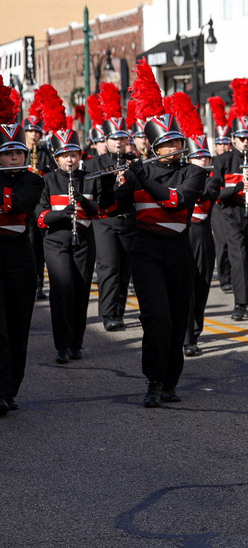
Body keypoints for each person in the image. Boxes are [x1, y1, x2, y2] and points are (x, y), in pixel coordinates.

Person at [115, 112, 207, 407]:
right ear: (154, 148)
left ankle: (170, 382)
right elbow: (109, 208)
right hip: (146, 252)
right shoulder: (138, 173)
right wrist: (110, 183)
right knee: (157, 317)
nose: (174, 147)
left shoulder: (194, 173)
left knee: (178, 319)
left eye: (177, 141)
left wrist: (140, 177)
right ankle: (154, 381)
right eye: (167, 144)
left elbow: (174, 201)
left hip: (179, 251)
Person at [37, 126, 114, 364]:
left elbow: (101, 212)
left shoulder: (89, 179)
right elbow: (40, 215)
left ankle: (76, 342)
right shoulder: (47, 181)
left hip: (83, 239)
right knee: (62, 289)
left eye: (74, 154)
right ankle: (62, 345)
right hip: (56, 241)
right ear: (56, 157)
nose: (70, 159)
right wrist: (60, 214)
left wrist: (83, 202)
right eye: (65, 155)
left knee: (81, 290)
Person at [0, 94, 45, 413]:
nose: (15, 157)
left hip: (20, 260)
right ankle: (1, 390)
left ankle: (11, 386)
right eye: (8, 153)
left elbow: (19, 203)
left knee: (17, 326)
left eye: (18, 152)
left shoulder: (32, 180)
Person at [211, 79, 248, 320]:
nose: (245, 142)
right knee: (237, 253)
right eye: (241, 138)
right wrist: (235, 187)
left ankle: (244, 300)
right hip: (229, 211)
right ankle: (239, 303)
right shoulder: (222, 160)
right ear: (233, 138)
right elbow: (215, 193)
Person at [85, 85, 137, 332]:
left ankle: (119, 312)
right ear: (105, 140)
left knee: (125, 270)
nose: (119, 142)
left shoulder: (134, 162)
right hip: (104, 222)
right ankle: (108, 314)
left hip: (128, 221)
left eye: (122, 138)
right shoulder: (95, 163)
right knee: (109, 268)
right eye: (114, 138)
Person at [184, 134, 222, 357]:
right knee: (185, 286)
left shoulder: (213, 179)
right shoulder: (181, 175)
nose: (203, 161)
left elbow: (207, 192)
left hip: (203, 234)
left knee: (202, 285)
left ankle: (195, 332)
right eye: (198, 157)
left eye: (206, 157)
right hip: (184, 233)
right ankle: (187, 336)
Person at [22, 111, 54, 300]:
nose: (34, 135)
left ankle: (39, 285)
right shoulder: (18, 151)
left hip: (40, 204)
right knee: (28, 243)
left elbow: (51, 173)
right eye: (30, 131)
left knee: (40, 246)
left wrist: (40, 172)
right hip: (24, 206)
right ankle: (28, 281)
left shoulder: (44, 152)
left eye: (36, 132)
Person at [208, 97, 232, 291]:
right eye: (220, 143)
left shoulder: (235, 159)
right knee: (222, 242)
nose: (223, 147)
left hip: (234, 205)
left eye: (226, 143)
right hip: (218, 204)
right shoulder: (212, 161)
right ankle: (224, 278)